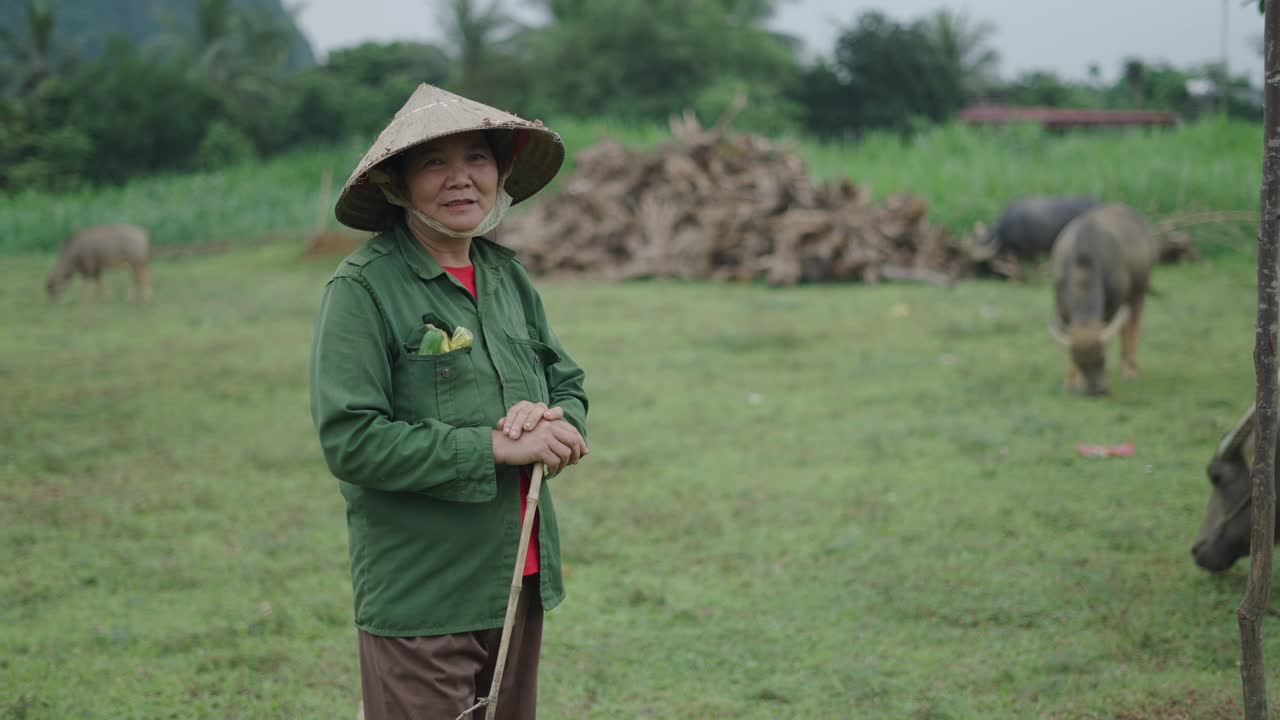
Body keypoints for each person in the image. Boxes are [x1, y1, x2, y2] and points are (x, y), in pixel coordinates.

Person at [309, 83, 589, 720]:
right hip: (423, 592)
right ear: (397, 184)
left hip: (518, 576)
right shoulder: (362, 288)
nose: (461, 179)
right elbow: (351, 440)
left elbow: (566, 382)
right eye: (435, 162)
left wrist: (555, 422)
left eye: (477, 158)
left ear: (500, 174)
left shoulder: (504, 274)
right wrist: (494, 444)